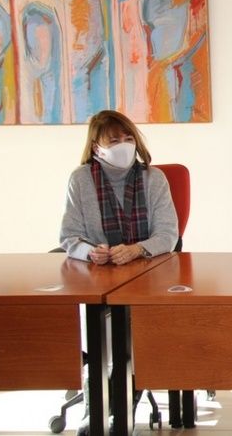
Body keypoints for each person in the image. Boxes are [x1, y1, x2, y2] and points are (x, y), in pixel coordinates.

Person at [60, 109, 178, 434]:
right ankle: (95, 409)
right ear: (96, 147)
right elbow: (69, 237)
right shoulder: (80, 180)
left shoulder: (154, 179)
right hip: (97, 278)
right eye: (114, 141)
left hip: (147, 275)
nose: (124, 145)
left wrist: (137, 249)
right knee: (95, 331)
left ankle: (121, 410)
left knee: (135, 333)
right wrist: (89, 251)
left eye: (128, 138)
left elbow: (168, 235)